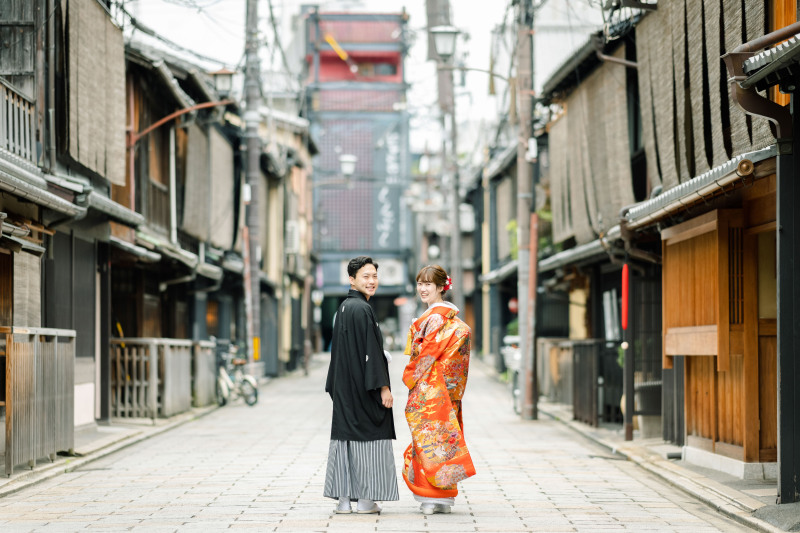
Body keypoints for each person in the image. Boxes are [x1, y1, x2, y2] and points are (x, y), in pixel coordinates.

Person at [324, 256, 399, 514]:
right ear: (352, 279)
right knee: (370, 437)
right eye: (365, 276)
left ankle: (344, 501)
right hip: (362, 388)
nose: (371, 281)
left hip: (345, 387)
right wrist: (384, 388)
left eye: (374, 276)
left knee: (345, 439)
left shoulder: (344, 308)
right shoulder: (363, 309)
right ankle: (366, 500)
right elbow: (370, 350)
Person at [402, 265, 476, 515]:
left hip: (430, 390)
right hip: (447, 390)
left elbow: (425, 355)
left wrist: (411, 378)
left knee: (427, 441)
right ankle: (444, 499)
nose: (423, 289)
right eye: (420, 283)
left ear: (441, 287)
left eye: (428, 284)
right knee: (445, 440)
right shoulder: (452, 319)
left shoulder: (435, 317)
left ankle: (430, 498)